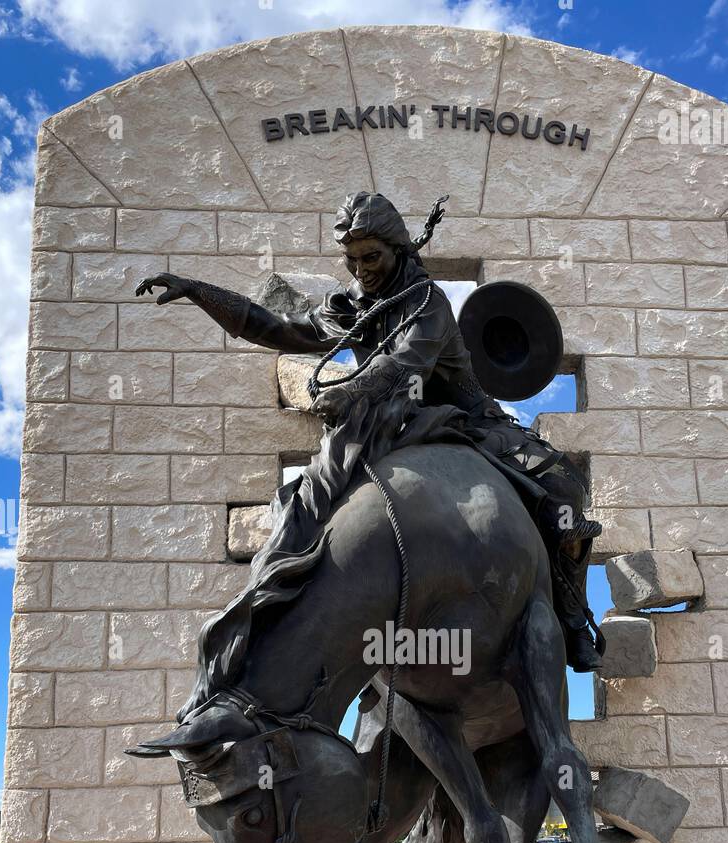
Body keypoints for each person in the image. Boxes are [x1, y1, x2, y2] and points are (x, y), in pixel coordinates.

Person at [136, 191, 604, 673]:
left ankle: (571, 620)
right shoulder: (353, 304)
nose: (361, 269)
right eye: (352, 259)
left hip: (466, 422)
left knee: (563, 489)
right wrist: (200, 292)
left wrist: (352, 390)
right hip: (385, 424)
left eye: (371, 257)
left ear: (399, 249)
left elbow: (403, 365)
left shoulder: (428, 302)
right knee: (302, 504)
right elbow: (276, 326)